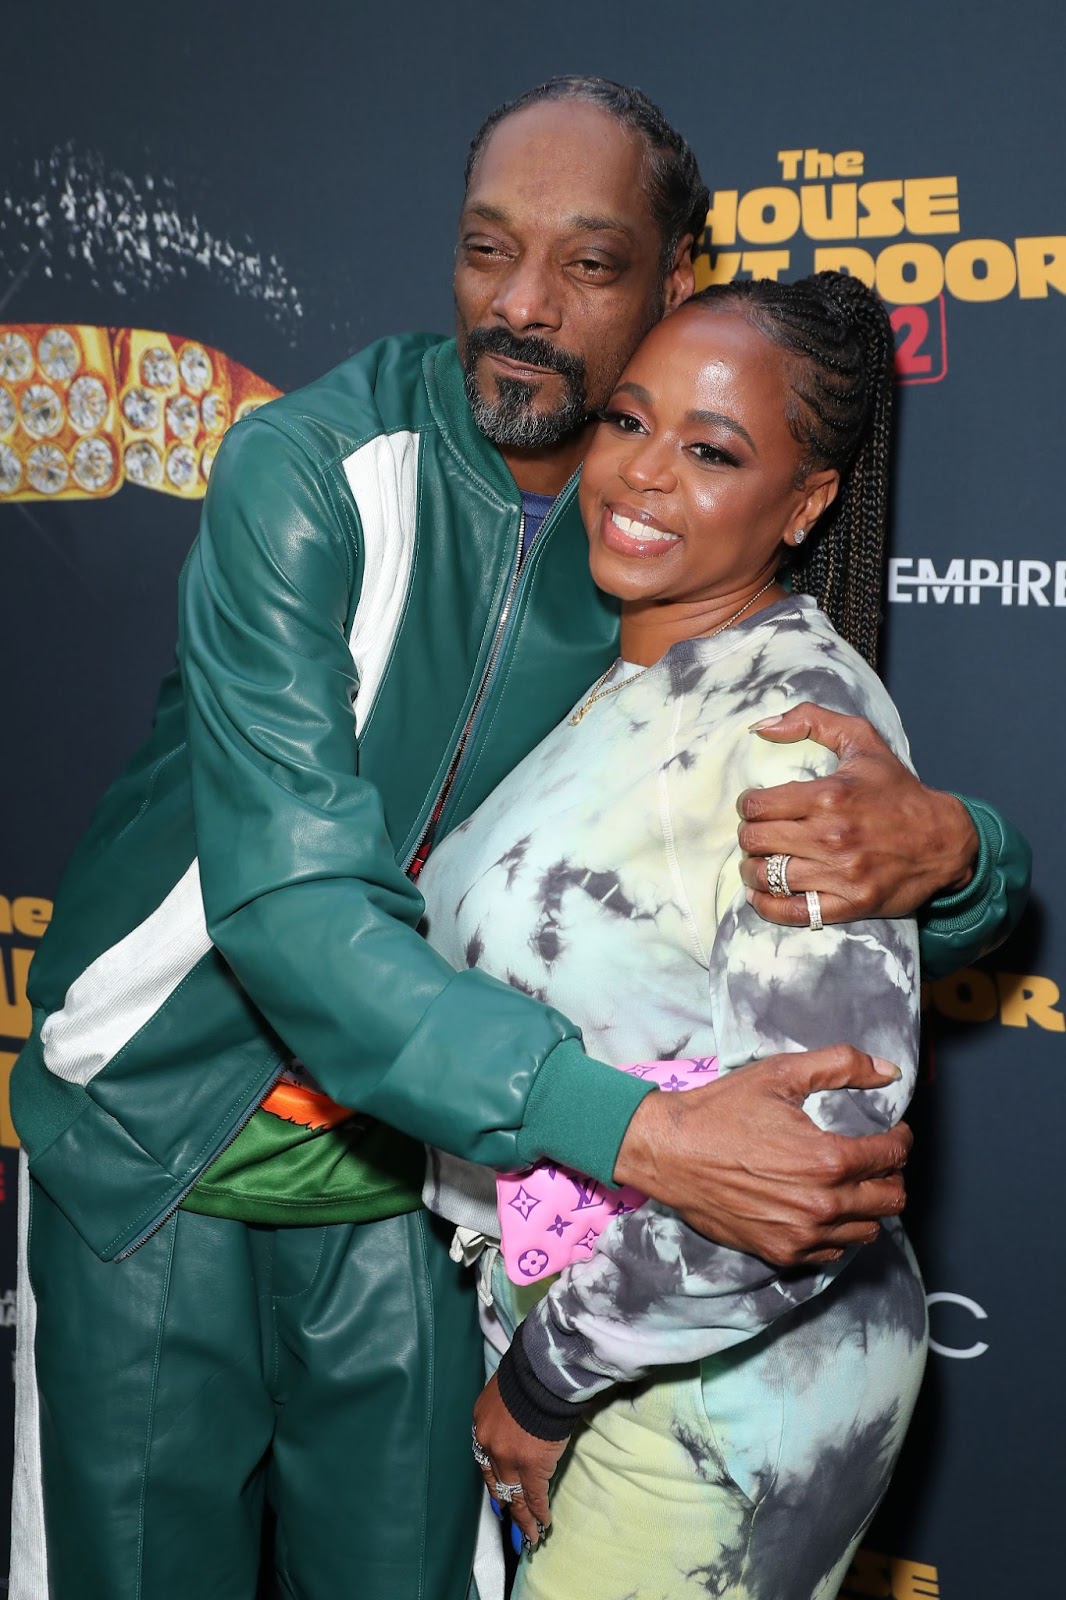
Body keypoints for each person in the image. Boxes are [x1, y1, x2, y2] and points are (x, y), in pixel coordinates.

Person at [10, 79, 1027, 1600]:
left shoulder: (654, 563)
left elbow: (753, 826)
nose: (524, 308)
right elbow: (293, 914)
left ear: (677, 278)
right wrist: (640, 1132)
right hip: (167, 1128)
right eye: (488, 251)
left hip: (430, 1178)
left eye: (591, 265)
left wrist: (958, 854)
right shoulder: (313, 471)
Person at [425, 271, 931, 1599]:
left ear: (807, 501)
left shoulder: (795, 741)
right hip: (601, 1354)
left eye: (709, 451)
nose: (639, 478)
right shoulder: (619, 668)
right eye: (627, 422)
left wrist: (542, 1385)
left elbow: (810, 1170)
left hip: (707, 1400)